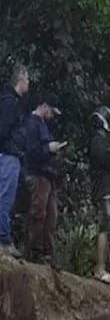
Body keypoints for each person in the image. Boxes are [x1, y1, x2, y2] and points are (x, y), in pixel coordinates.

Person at [21, 93, 63, 263]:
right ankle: (36, 252)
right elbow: (31, 152)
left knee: (51, 215)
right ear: (44, 106)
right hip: (36, 174)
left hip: (46, 176)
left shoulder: (43, 125)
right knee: (38, 213)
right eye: (52, 112)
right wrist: (48, 149)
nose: (53, 116)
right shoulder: (32, 123)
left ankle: (48, 252)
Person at [0, 64, 30, 258]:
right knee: (5, 198)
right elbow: (3, 130)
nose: (29, 84)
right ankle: (4, 240)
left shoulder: (7, 100)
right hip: (8, 157)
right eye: (28, 79)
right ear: (21, 79)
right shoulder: (11, 103)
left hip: (7, 155)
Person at [89, 107, 110, 283]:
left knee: (107, 229)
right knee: (104, 228)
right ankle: (100, 269)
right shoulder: (98, 142)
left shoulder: (102, 141)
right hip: (104, 190)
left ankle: (103, 268)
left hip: (107, 189)